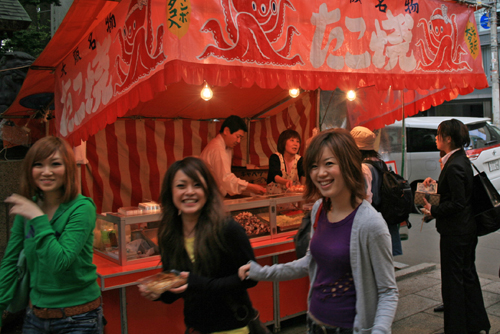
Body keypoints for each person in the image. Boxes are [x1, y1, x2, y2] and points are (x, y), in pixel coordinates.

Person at [239, 129, 398, 334]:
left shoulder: (371, 223)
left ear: (348, 164)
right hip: (315, 324)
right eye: (314, 166)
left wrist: (379, 330)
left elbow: (388, 291)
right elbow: (309, 262)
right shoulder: (319, 210)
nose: (319, 173)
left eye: (328, 164)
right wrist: (261, 272)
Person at [139, 157, 259, 333]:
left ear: (208, 190)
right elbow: (178, 284)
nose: (189, 192)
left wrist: (196, 283)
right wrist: (159, 293)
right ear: (170, 192)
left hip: (233, 327)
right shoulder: (169, 235)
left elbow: (252, 278)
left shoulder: (227, 230)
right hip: (196, 327)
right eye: (181, 186)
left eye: (197, 185)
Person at [0, 136, 102, 333]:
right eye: (38, 165)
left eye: (55, 164)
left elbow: (59, 262)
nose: (46, 172)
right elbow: (10, 262)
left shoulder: (81, 208)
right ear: (30, 169)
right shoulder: (28, 208)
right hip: (35, 315)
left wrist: (38, 219)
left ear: (68, 169)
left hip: (79, 318)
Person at [422, 119, 490, 334]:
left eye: (439, 134)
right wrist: (434, 186)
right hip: (465, 230)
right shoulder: (458, 159)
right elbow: (454, 193)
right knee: (467, 276)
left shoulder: (455, 164)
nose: (436, 137)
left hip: (457, 232)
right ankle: (476, 323)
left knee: (454, 280)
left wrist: (433, 211)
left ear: (448, 138)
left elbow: (459, 203)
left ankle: (457, 327)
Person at [350, 126, 403, 256]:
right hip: (383, 218)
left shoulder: (363, 168)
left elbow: (365, 198)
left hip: (371, 222)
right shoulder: (379, 162)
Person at [200, 115, 266, 196]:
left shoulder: (226, 147)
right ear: (226, 131)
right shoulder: (217, 148)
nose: (238, 141)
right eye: (237, 136)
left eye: (241, 138)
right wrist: (250, 186)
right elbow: (226, 179)